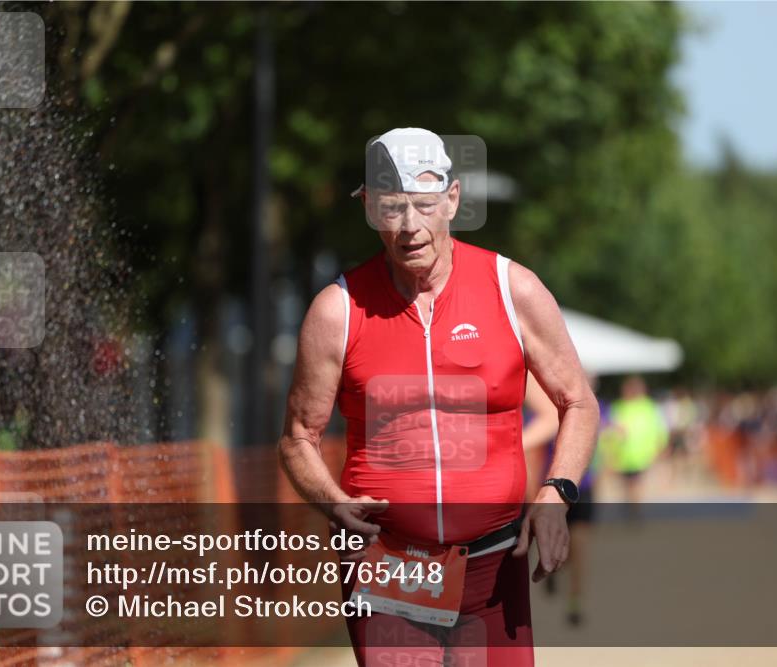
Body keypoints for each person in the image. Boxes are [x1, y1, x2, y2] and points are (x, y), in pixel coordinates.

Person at [278, 128, 599, 665]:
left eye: (424, 206)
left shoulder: (511, 287)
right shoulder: (337, 309)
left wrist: (556, 494)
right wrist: (331, 500)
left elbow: (578, 403)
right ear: (369, 207)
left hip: (494, 565)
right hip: (389, 567)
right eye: (391, 209)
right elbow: (297, 438)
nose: (409, 227)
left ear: (452, 199)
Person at [523, 373, 600, 626]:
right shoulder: (546, 415)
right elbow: (534, 457)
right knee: (559, 547)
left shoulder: (592, 413)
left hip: (582, 490)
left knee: (579, 548)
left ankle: (575, 601)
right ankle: (554, 565)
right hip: (550, 491)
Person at [606, 375, 667, 506]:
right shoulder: (619, 406)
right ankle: (631, 509)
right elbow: (610, 431)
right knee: (627, 487)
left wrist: (659, 448)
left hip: (642, 455)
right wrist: (610, 452)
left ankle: (634, 511)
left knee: (635, 486)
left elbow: (660, 430)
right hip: (622, 455)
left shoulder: (649, 407)